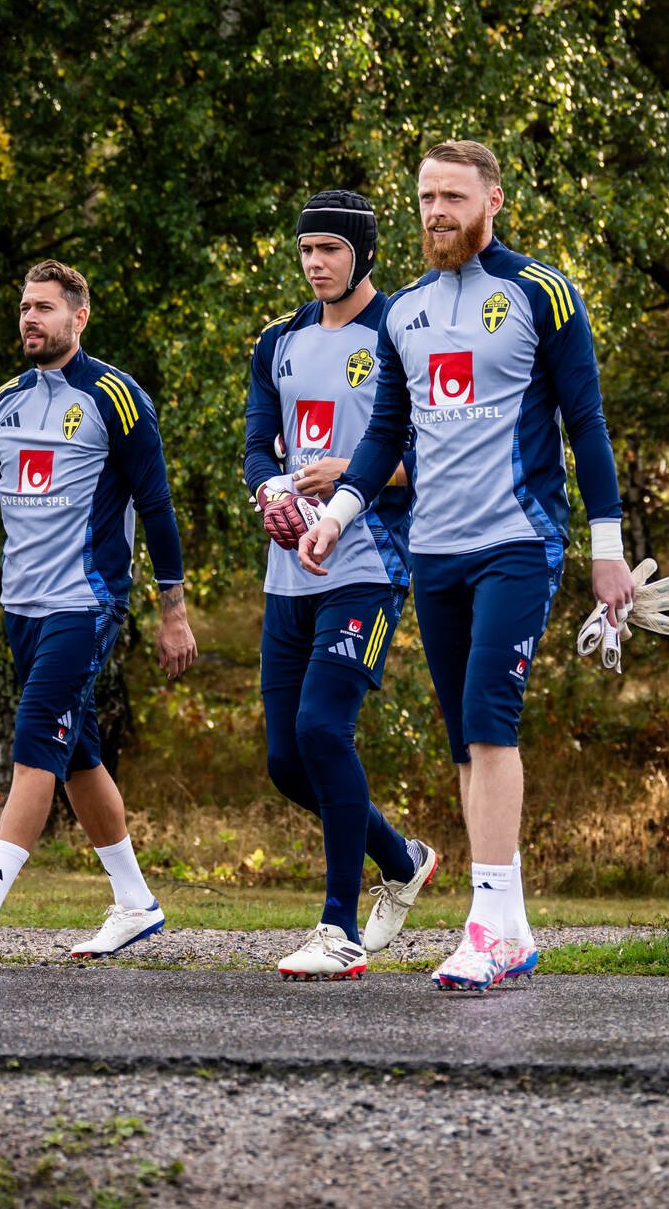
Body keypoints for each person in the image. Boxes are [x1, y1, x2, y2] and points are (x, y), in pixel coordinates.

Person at [300, 141, 633, 992]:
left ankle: (483, 926)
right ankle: (511, 924)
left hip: (518, 543)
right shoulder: (404, 312)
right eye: (425, 199)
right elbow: (384, 439)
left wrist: (607, 551)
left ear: (493, 200)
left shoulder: (540, 292)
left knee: (489, 719)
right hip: (433, 551)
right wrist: (337, 519)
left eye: (452, 196)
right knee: (463, 738)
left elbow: (586, 426)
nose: (437, 213)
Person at [0, 259, 198, 960]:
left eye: (45, 308)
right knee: (78, 754)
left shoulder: (118, 398)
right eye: (25, 307)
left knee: (35, 740)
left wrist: (172, 611)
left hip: (85, 604)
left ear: (78, 318)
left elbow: (157, 508)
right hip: (19, 608)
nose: (31, 318)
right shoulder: (3, 404)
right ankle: (136, 903)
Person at [244, 190, 440, 981]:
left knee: (325, 731)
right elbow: (260, 446)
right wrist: (274, 496)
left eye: (330, 249)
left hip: (370, 566)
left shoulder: (399, 332)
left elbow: (431, 455)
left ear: (363, 254)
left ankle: (338, 929)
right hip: (289, 574)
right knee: (288, 762)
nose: (317, 263)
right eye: (306, 251)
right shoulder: (278, 341)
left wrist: (354, 474)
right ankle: (400, 858)